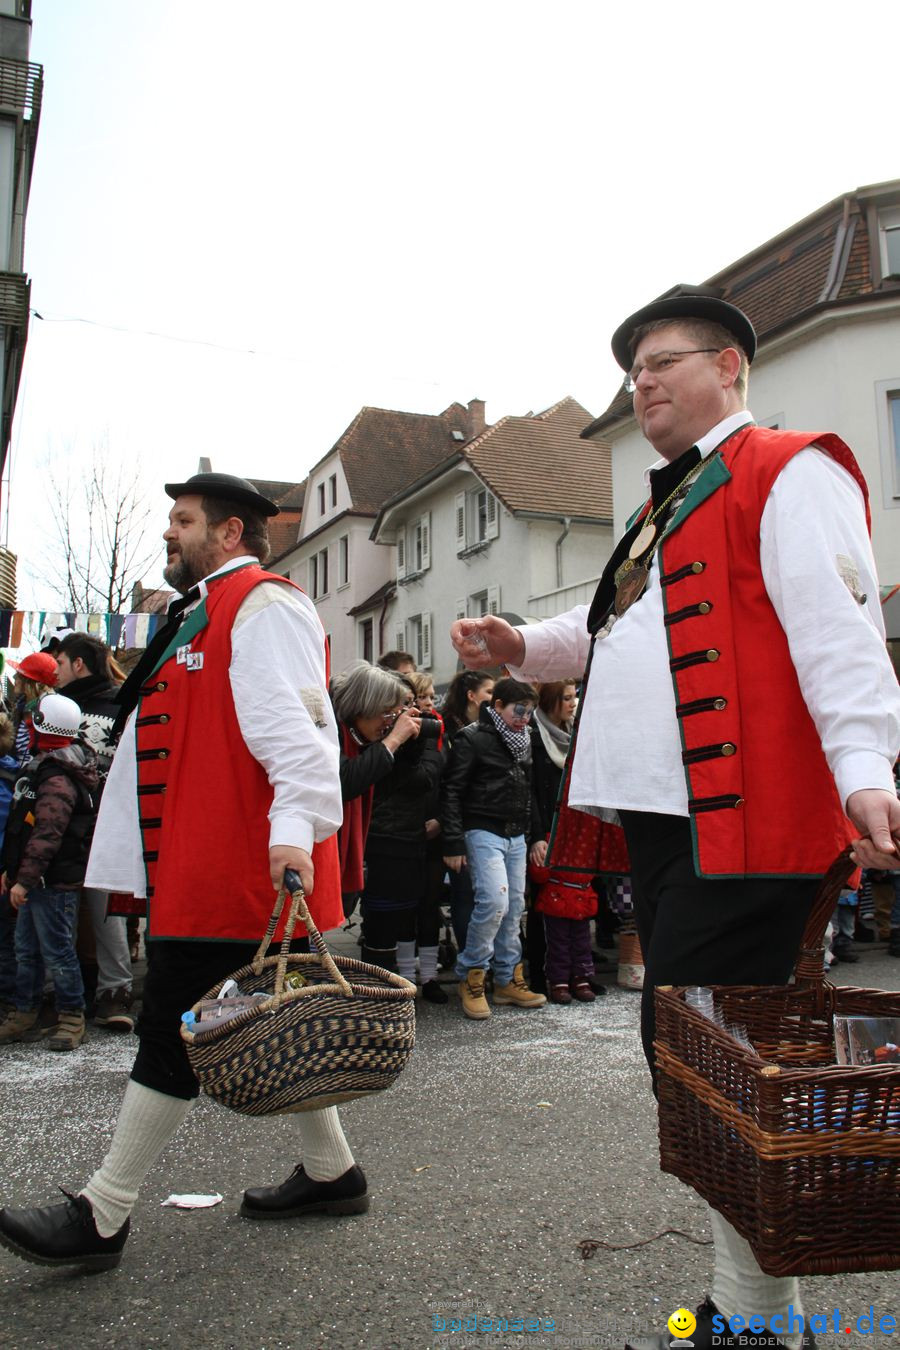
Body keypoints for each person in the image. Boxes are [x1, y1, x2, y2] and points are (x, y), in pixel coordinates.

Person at [450, 287, 900, 1348]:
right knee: (708, 1064)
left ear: (731, 367)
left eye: (663, 360)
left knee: (703, 1060)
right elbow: (616, 630)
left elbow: (840, 629)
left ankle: (757, 1322)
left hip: (746, 820)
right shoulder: (672, 501)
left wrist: (867, 768)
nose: (641, 381)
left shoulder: (789, 467)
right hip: (668, 817)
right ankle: (759, 1316)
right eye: (633, 369)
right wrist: (522, 647)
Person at [0, 471, 364, 1273]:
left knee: (172, 1026)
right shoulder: (198, 612)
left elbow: (301, 734)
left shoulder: (265, 604)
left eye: (184, 520)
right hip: (204, 861)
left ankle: (104, 1212)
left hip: (244, 863)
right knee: (276, 1020)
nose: (171, 533)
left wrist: (293, 833)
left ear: (229, 533)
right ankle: (333, 1174)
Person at [441, 676, 546, 1019]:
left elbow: (530, 789)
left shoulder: (525, 738)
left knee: (514, 906)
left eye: (530, 711)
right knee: (494, 901)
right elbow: (453, 791)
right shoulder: (472, 738)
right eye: (520, 710)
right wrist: (454, 841)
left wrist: (537, 835)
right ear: (497, 706)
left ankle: (506, 979)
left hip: (515, 833)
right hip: (482, 829)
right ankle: (472, 976)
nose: (525, 718)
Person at [0, 693, 98, 1051]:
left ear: (41, 728)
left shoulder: (56, 777)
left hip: (51, 880)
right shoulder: (45, 767)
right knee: (25, 948)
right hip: (35, 878)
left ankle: (72, 1016)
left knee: (57, 951)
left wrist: (24, 879)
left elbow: (46, 835)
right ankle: (25, 1011)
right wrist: (14, 872)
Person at [54, 633, 134, 1032]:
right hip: (59, 825)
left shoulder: (121, 703)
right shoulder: (57, 708)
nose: (55, 671)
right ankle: (66, 993)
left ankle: (114, 992)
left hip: (104, 822)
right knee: (58, 909)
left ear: (78, 664)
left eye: (60, 663)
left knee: (107, 908)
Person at [330, 660, 423, 931]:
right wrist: (392, 741)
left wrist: (409, 750)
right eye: (386, 714)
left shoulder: (360, 738)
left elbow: (380, 789)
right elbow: (345, 783)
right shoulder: (328, 730)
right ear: (363, 706)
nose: (389, 724)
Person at [528, 680, 600, 1003]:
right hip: (546, 827)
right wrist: (536, 835)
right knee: (545, 905)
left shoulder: (574, 733)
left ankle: (579, 974)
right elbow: (530, 789)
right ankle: (544, 976)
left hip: (576, 825)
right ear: (551, 700)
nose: (573, 704)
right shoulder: (535, 734)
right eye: (566, 698)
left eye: (574, 697)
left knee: (578, 904)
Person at [439, 670, 495, 951]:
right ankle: (470, 962)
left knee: (489, 897)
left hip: (482, 821)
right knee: (465, 896)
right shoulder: (449, 729)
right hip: (457, 823)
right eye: (489, 692)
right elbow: (448, 786)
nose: (494, 699)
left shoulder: (489, 727)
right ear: (471, 696)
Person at [6, 652, 57, 764]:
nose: (14, 677)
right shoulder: (21, 705)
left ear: (33, 683)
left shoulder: (50, 712)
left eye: (20, 675)